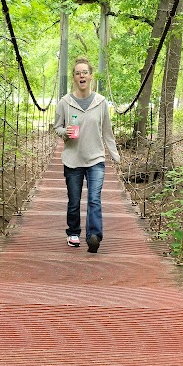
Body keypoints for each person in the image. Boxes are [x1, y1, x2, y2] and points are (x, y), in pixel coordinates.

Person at [53, 56, 120, 253]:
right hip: (73, 159)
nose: (81, 75)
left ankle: (94, 236)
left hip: (95, 158)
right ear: (73, 78)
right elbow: (56, 127)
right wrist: (64, 132)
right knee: (74, 200)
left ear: (91, 76)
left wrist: (115, 155)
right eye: (77, 73)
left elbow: (107, 131)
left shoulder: (100, 102)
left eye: (85, 72)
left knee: (94, 199)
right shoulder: (64, 102)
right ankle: (73, 232)